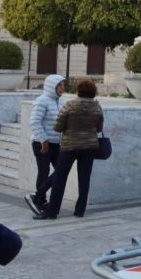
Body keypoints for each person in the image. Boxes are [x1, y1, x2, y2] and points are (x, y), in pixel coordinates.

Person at [34, 80, 103, 220]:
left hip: (69, 146)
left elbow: (57, 127)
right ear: (93, 92)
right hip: (89, 147)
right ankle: (79, 211)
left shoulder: (70, 105)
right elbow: (99, 128)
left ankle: (52, 212)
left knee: (60, 177)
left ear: (78, 91)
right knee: (84, 179)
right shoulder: (97, 107)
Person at [24, 74, 65, 215]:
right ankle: (40, 200)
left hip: (56, 143)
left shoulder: (61, 101)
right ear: (51, 86)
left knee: (61, 170)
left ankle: (38, 195)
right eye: (59, 85)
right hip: (41, 143)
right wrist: (43, 140)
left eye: (63, 85)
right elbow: (34, 122)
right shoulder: (42, 101)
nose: (62, 88)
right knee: (44, 171)